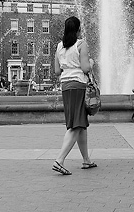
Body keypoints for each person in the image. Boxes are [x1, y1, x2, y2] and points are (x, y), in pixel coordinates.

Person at [52, 16, 96, 175]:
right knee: (76, 125)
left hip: (65, 86)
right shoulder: (81, 44)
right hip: (78, 84)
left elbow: (57, 71)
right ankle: (60, 160)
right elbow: (85, 68)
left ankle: (86, 160)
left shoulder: (59, 46)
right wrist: (91, 62)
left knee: (80, 123)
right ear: (78, 29)